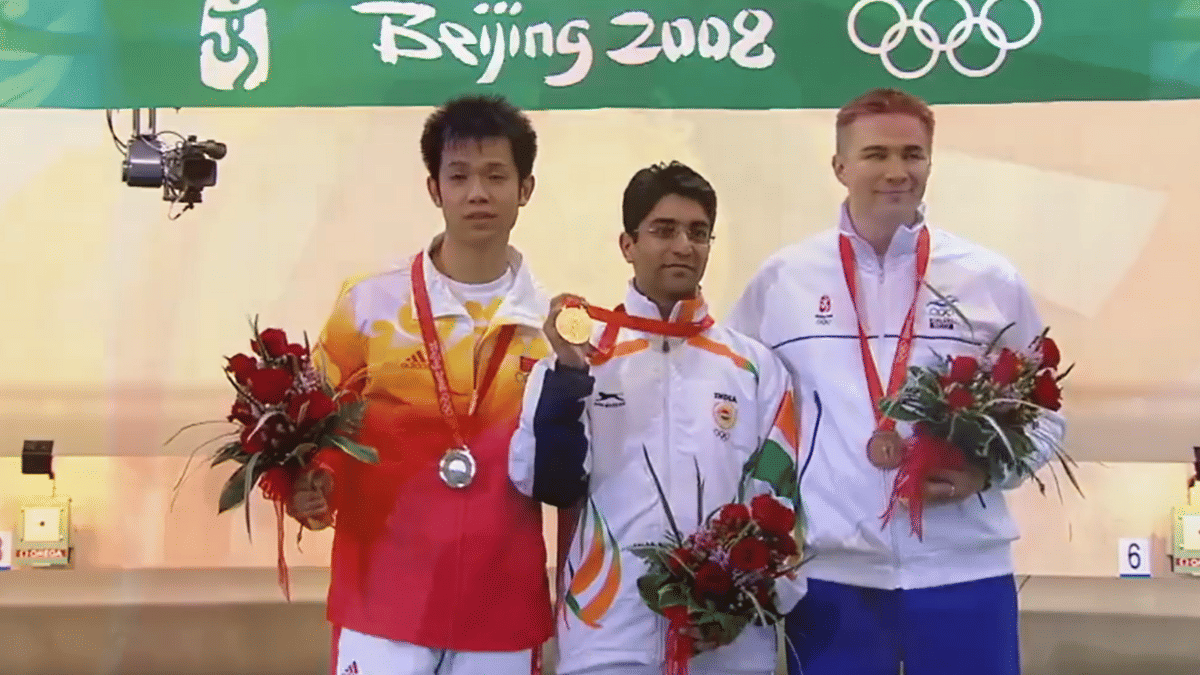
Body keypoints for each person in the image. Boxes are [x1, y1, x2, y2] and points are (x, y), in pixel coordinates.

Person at [726, 87, 1067, 675]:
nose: (896, 171)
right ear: (840, 166)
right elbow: (737, 407)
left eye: (912, 154)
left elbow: (1047, 416)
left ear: (931, 162)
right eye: (875, 154)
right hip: (833, 578)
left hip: (964, 571)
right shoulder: (784, 281)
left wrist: (988, 471)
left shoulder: (987, 279)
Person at [287, 94, 555, 675]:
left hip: (500, 607)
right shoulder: (370, 305)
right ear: (434, 189)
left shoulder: (551, 329)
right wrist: (312, 483)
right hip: (382, 599)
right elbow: (312, 426)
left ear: (526, 188)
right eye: (459, 176)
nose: (477, 193)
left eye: (496, 176)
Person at [509, 161, 806, 675]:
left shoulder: (754, 368)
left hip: (726, 642)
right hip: (607, 635)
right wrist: (569, 376)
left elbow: (782, 505)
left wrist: (744, 603)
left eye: (698, 233)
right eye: (664, 231)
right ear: (628, 244)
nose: (683, 246)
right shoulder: (580, 359)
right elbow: (542, 481)